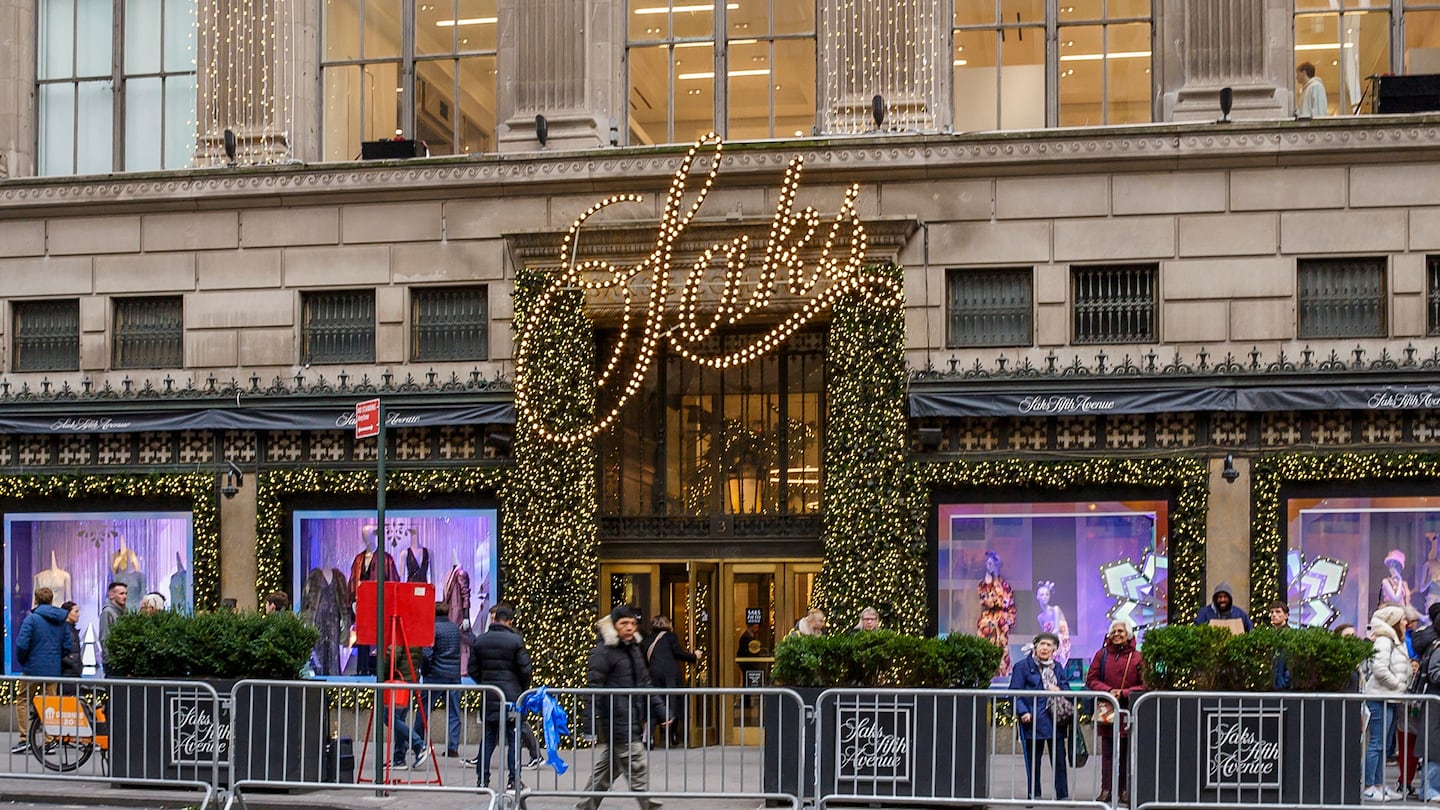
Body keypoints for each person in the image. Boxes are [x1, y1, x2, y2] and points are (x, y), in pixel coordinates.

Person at [577, 605, 670, 810]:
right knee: (637, 768)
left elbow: (645, 683)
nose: (629, 628)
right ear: (614, 625)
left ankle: (584, 808)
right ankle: (652, 807)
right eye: (624, 623)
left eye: (633, 624)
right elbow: (593, 690)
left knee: (605, 773)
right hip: (618, 721)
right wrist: (589, 726)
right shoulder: (602, 652)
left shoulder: (633, 649)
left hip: (630, 718)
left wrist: (661, 710)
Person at [468, 602, 532, 790]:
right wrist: (521, 688)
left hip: (490, 695)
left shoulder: (481, 640)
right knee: (513, 738)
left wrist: (485, 682)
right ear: (510, 622)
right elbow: (525, 669)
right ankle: (513, 780)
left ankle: (482, 779)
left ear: (494, 619)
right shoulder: (515, 641)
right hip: (512, 696)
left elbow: (472, 668)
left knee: (488, 737)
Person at [1085, 618, 1145, 805]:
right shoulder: (1101, 654)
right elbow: (1091, 679)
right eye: (1114, 631)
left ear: (1128, 635)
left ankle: (1124, 790)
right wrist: (1108, 691)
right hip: (1108, 710)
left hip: (1129, 710)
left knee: (1127, 753)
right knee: (1108, 752)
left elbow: (1146, 684)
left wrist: (1125, 693)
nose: (1117, 634)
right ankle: (1106, 789)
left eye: (1121, 631)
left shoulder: (1138, 657)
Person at [1010, 631, 1071, 802]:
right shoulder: (1022, 666)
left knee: (1059, 760)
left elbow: (1067, 691)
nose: (1045, 648)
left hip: (1055, 720)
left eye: (1049, 645)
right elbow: (1014, 692)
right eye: (1042, 644)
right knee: (1033, 762)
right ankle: (1033, 794)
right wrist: (1023, 711)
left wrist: (1058, 690)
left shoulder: (1058, 667)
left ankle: (1062, 794)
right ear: (1035, 646)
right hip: (1032, 721)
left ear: (1054, 650)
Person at [14, 587, 76, 753]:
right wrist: (56, 659)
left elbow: (21, 644)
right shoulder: (61, 621)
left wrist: (24, 661)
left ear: (36, 600)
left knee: (23, 700)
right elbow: (67, 646)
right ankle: (49, 741)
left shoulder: (32, 619)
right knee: (50, 704)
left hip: (32, 669)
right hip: (52, 670)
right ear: (51, 600)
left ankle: (25, 738)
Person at [1363, 604, 1411, 802]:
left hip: (1390, 697)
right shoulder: (1384, 640)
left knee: (1384, 745)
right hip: (1379, 697)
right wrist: (1397, 683)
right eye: (1402, 620)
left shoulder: (1393, 640)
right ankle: (1369, 785)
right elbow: (1380, 668)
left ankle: (1379, 784)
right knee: (1376, 743)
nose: (1406, 623)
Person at [645, 615, 701, 746]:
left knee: (654, 703)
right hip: (671, 675)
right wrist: (694, 656)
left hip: (653, 675)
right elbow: (678, 653)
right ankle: (673, 735)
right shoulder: (671, 637)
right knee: (674, 704)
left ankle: (651, 738)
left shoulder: (648, 639)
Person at [379, 643, 430, 773]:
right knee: (398, 718)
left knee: (389, 717)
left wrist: (382, 674)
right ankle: (399, 757)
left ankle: (418, 744)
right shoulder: (414, 636)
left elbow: (392, 655)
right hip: (410, 680)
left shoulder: (399, 634)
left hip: (399, 681)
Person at [423, 601, 464, 758]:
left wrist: (425, 671)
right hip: (453, 676)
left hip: (435, 675)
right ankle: (453, 746)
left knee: (424, 710)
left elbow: (427, 653)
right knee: (454, 712)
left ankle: (417, 742)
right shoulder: (454, 628)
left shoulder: (432, 628)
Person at [977, 551, 1017, 676]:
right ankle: (984, 674)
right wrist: (988, 582)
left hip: (1001, 621)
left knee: (1002, 649)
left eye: (991, 563)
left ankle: (1002, 674)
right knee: (985, 647)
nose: (988, 566)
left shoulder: (1005, 586)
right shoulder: (983, 585)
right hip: (987, 620)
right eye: (987, 564)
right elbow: (987, 601)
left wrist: (1009, 621)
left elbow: (1007, 603)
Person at [1035, 580, 1071, 667]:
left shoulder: (1055, 609)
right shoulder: (1040, 617)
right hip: (1050, 643)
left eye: (1047, 594)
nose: (1045, 597)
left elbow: (1056, 630)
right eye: (1042, 594)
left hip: (1060, 644)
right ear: (1038, 597)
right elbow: (1044, 633)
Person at [97, 581, 128, 672]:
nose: (125, 596)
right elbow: (104, 638)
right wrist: (110, 660)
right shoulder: (107, 612)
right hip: (113, 663)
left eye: (126, 593)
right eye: (121, 593)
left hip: (122, 661)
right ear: (111, 595)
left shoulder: (124, 612)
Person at [59, 601, 82, 677]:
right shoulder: (63, 629)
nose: (78, 615)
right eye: (76, 612)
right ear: (67, 613)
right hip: (67, 672)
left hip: (73, 671)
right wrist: (70, 661)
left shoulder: (72, 629)